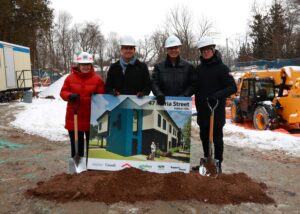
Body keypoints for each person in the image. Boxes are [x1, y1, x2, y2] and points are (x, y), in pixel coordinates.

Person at [193, 36, 237, 173]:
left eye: (208, 50)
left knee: (217, 138)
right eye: (203, 50)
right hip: (202, 111)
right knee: (204, 137)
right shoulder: (199, 69)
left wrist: (217, 96)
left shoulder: (222, 68)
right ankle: (207, 160)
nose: (206, 52)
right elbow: (194, 86)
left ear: (213, 50)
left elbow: (232, 87)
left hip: (216, 111)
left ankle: (218, 164)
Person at [60, 52, 105, 160]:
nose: (85, 67)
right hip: (74, 117)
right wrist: (70, 95)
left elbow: (102, 97)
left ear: (91, 65)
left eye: (88, 64)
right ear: (79, 65)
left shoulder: (98, 80)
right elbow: (63, 92)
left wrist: (95, 97)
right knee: (76, 145)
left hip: (91, 118)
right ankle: (77, 164)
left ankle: (91, 166)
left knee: (91, 146)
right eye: (83, 64)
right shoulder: (70, 78)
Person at [152, 35, 195, 105]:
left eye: (176, 48)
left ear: (179, 49)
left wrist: (184, 96)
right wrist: (158, 93)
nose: (173, 50)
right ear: (167, 50)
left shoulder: (188, 66)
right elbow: (154, 83)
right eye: (170, 48)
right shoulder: (159, 67)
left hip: (182, 104)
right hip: (164, 104)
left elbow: (193, 85)